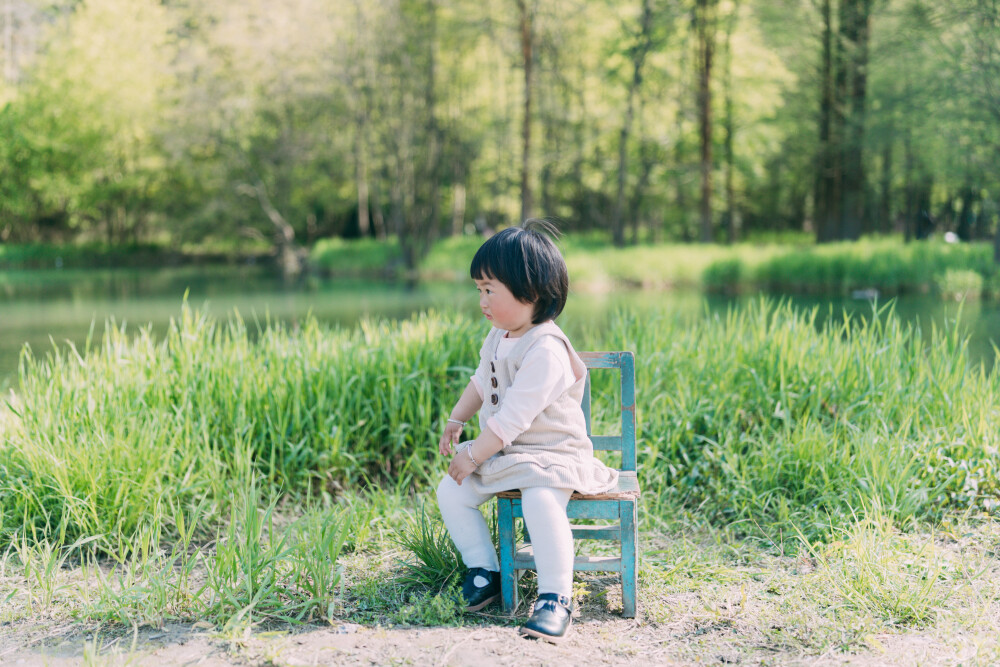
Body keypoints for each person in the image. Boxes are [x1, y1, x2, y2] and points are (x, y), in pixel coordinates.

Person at [436, 219, 618, 643]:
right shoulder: (500, 335)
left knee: (540, 500)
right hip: (509, 454)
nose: (480, 300)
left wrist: (475, 454)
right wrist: (457, 420)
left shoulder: (547, 349)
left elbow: (513, 417)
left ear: (530, 293)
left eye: (489, 290)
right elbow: (483, 380)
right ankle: (485, 570)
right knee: (452, 492)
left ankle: (555, 598)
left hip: (553, 456)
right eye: (479, 289)